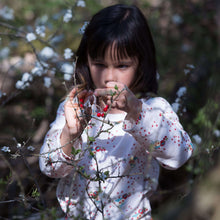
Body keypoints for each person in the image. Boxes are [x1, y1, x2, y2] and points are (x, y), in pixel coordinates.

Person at [39, 4, 193, 220]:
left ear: (141, 64)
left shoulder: (153, 109)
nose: (109, 77)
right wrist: (70, 134)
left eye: (122, 66)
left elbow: (179, 155)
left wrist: (136, 111)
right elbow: (50, 168)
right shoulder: (76, 108)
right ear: (87, 61)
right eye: (99, 64)